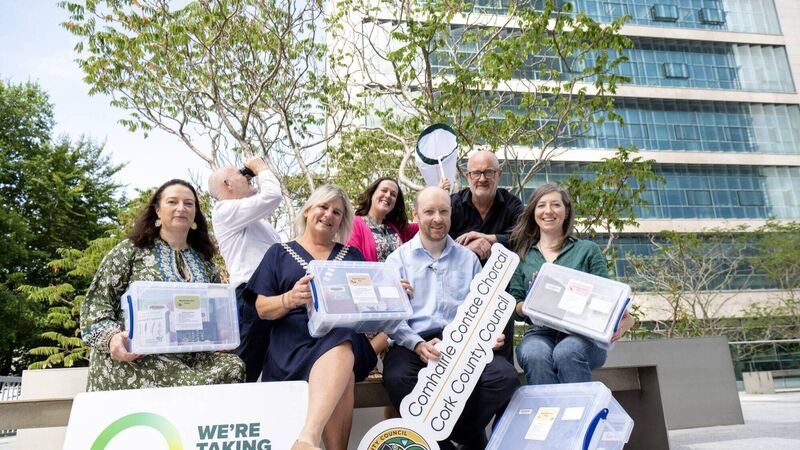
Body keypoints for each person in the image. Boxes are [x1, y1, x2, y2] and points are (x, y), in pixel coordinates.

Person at [383, 187, 519, 450]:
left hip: (463, 344)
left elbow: (484, 307)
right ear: (416, 214)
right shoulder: (396, 260)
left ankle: (460, 434)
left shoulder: (469, 259)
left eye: (444, 211)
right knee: (398, 378)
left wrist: (486, 335)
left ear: (451, 214)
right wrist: (417, 345)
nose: (437, 218)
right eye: (429, 212)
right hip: (412, 343)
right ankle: (451, 444)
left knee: (505, 377)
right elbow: (391, 320)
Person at [245, 185, 377, 450]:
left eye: (337, 212)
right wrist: (289, 299)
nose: (329, 215)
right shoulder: (278, 253)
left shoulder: (351, 256)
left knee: (342, 338)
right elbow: (261, 308)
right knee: (345, 374)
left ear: (343, 220)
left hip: (341, 335)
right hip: (291, 343)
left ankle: (308, 438)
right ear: (308, 210)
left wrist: (395, 293)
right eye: (323, 207)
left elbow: (370, 303)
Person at [80, 179, 245, 392]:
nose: (181, 208)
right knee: (186, 381)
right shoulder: (130, 251)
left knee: (233, 367)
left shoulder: (205, 262)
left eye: (188, 203)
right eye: (172, 202)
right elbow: (96, 304)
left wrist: (221, 336)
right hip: (138, 356)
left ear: (195, 213)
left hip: (192, 355)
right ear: (157, 211)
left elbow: (215, 316)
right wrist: (112, 339)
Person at [509, 183, 634, 385]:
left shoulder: (587, 250)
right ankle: (549, 414)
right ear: (533, 212)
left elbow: (609, 297)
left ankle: (581, 415)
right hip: (539, 333)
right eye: (541, 205)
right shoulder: (523, 256)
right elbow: (515, 306)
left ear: (566, 212)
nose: (548, 211)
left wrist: (622, 322)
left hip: (584, 336)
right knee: (533, 353)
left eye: (555, 205)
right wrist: (530, 303)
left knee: (566, 351)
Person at [209, 156, 281, 382]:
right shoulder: (223, 210)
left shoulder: (255, 221)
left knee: (271, 362)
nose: (247, 176)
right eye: (241, 175)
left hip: (273, 294)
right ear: (227, 185)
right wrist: (261, 168)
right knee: (246, 365)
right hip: (251, 294)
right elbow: (272, 195)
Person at [449, 150, 523, 363]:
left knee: (499, 363)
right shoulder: (452, 205)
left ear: (499, 174)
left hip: (499, 295)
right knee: (458, 360)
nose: (482, 178)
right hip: (457, 295)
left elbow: (525, 238)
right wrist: (466, 250)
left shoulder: (512, 205)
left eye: (489, 172)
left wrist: (491, 239)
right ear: (467, 176)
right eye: (476, 173)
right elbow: (436, 243)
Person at [348, 176, 419, 358]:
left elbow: (427, 224)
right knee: (367, 358)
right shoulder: (357, 223)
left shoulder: (397, 229)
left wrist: (440, 191)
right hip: (367, 298)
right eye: (384, 190)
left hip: (396, 300)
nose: (388, 196)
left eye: (394, 194)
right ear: (372, 194)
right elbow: (352, 264)